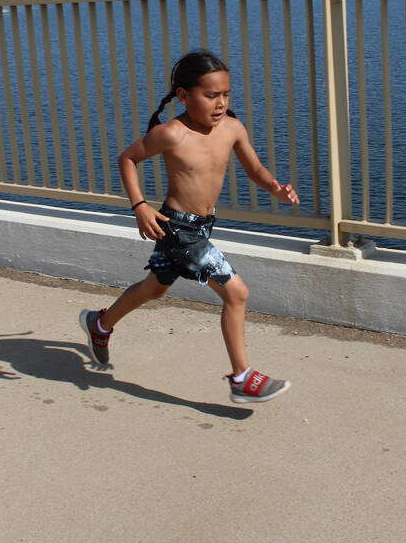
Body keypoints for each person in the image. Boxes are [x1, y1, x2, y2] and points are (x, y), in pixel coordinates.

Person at [80, 50, 298, 403]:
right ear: (183, 95)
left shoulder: (232, 128)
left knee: (154, 288)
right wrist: (140, 206)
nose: (220, 103)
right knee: (236, 292)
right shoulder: (172, 134)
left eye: (226, 94)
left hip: (202, 226)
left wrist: (276, 187)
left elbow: (254, 169)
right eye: (210, 95)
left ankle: (100, 324)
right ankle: (242, 378)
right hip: (178, 228)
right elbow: (128, 158)